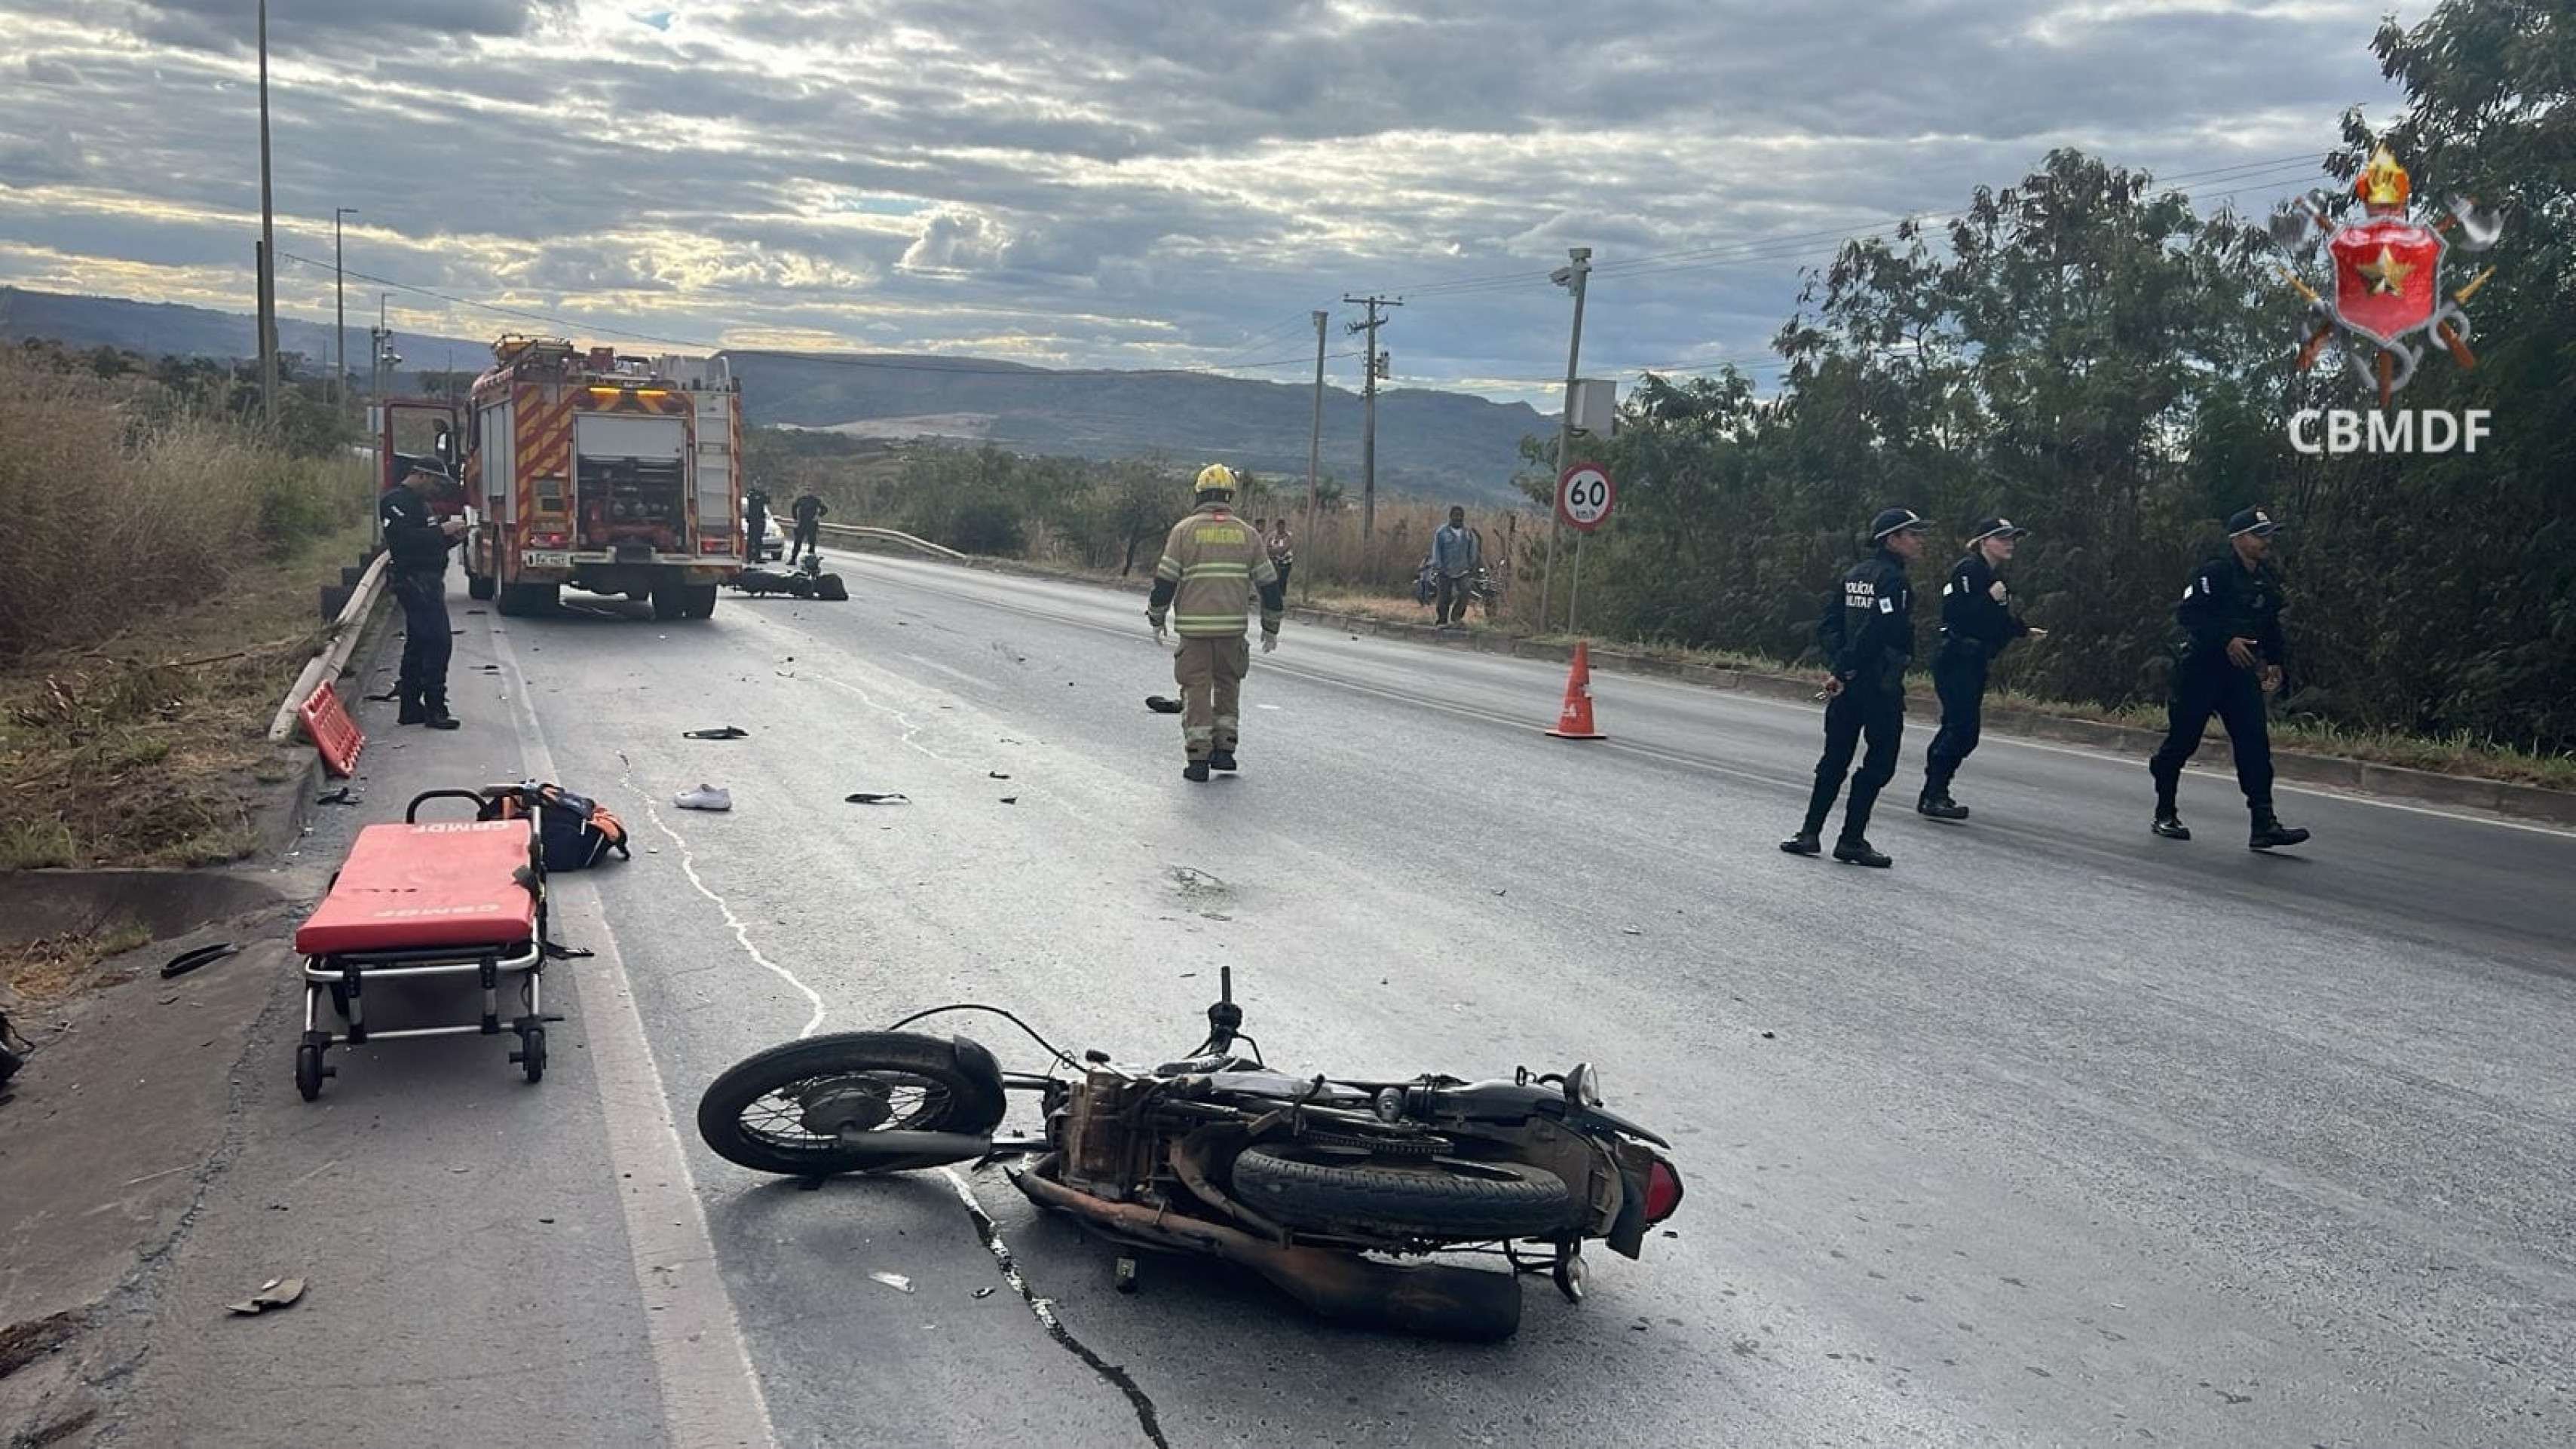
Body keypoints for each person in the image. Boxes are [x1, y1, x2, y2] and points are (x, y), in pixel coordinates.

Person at [2147, 507, 2311, 850]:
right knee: (2182, 743)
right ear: (2238, 539)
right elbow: (2188, 614)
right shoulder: (2215, 573)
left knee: (2254, 744)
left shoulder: (2265, 579)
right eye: (2259, 534)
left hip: (2239, 675)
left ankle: (2263, 824)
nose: (2266, 541)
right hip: (2201, 671)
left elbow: (2270, 626)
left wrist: (2276, 662)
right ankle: (2165, 812)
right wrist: (2226, 640)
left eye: (2269, 534)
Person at [1782, 507, 1928, 867]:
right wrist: (1848, 667)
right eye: (1912, 534)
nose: (1918, 540)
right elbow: (1879, 631)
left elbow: (1829, 624)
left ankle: (1809, 833)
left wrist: (1840, 665)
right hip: (1877, 685)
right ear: (1891, 540)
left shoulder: (1855, 575)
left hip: (1848, 684)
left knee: (1834, 759)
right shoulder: (1894, 581)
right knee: (1879, 764)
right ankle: (1851, 839)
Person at [1147, 464, 1285, 782]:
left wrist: (1156, 617)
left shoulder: (1184, 532)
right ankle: (1225, 751)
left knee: (1195, 689)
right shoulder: (1247, 534)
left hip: (1194, 632)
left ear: (1199, 494)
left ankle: (1197, 760)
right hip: (1232, 631)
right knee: (1228, 686)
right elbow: (1269, 585)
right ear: (1229, 496)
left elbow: (1165, 582)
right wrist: (1271, 626)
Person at [1917, 517, 2049, 819]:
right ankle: (1933, 794)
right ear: (1983, 541)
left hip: (1975, 661)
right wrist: (1988, 598)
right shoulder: (1968, 571)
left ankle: (1936, 791)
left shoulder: (1994, 577)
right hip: (1956, 658)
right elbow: (1956, 614)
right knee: (1960, 728)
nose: (2010, 543)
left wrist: (2023, 631)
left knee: (1962, 730)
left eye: (2012, 538)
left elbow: (1997, 621)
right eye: (2002, 538)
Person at [379, 463, 466, 730]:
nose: (437, 490)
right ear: (421, 475)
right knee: (438, 643)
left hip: (429, 579)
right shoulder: (396, 502)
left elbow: (427, 541)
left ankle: (410, 707)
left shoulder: (421, 504)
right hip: (415, 581)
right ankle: (435, 707)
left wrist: (453, 538)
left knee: (418, 644)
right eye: (435, 483)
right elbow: (405, 540)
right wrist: (443, 531)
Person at [1432, 506, 1480, 625]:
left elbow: (1473, 550)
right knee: (1444, 597)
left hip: (1463, 570)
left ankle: (1456, 617)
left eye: (1460, 516)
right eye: (1456, 515)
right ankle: (1442, 619)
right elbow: (1436, 550)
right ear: (1450, 517)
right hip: (1444, 570)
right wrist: (1438, 565)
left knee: (1465, 591)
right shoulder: (1441, 532)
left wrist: (1471, 565)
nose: (1458, 518)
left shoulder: (1468, 533)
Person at [789, 490, 827, 567]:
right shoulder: (801, 499)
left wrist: (818, 516)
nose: (808, 492)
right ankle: (793, 559)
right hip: (802, 523)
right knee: (798, 542)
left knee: (812, 543)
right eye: (807, 490)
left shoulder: (816, 500)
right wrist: (795, 518)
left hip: (812, 524)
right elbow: (794, 506)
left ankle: (811, 561)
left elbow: (825, 509)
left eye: (810, 491)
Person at [1267, 516, 1295, 596]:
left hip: (1286, 562)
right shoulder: (1272, 536)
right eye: (1279, 526)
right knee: (1274, 580)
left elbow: (1285, 549)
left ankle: (1282, 596)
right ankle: (1275, 596)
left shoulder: (1288, 536)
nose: (1281, 528)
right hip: (1274, 562)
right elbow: (1267, 547)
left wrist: (1275, 550)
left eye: (1282, 526)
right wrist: (1275, 551)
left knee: (1282, 580)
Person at [743, 486, 771, 562]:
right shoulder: (751, 494)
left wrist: (766, 494)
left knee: (758, 540)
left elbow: (768, 501)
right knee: (751, 539)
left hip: (760, 520)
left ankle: (757, 557)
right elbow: (753, 500)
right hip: (753, 520)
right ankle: (749, 557)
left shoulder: (761, 495)